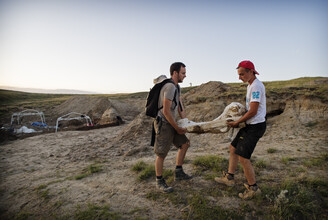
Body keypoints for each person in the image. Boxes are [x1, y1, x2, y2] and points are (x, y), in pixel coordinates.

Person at [215, 60, 266, 199]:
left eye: (242, 74)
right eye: (238, 74)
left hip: (255, 126)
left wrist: (237, 121)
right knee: (233, 148)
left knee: (243, 157)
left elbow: (254, 111)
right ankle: (229, 178)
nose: (239, 77)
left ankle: (253, 188)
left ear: (251, 72)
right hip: (249, 124)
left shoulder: (256, 86)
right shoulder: (250, 85)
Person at [154, 62, 192, 193]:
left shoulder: (177, 87)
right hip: (164, 124)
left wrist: (185, 122)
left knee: (185, 144)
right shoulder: (169, 87)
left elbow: (180, 106)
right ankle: (159, 181)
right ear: (175, 73)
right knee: (161, 153)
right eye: (183, 73)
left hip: (172, 123)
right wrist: (177, 128)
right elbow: (166, 111)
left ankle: (179, 172)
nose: (185, 75)